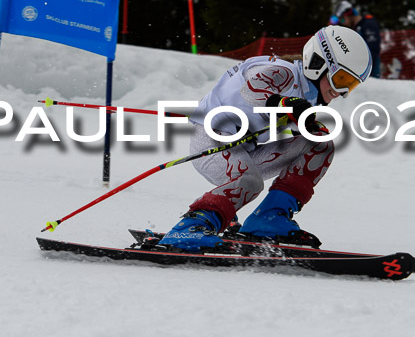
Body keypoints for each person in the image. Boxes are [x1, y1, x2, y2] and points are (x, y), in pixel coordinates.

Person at [156, 25, 373, 252]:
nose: (341, 91)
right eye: (340, 79)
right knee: (249, 182)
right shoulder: (283, 70)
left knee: (320, 142)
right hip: (212, 137)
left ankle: (268, 220)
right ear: (318, 63)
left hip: (243, 148)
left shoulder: (306, 94)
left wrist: (299, 120)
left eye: (350, 85)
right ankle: (191, 227)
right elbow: (252, 89)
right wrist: (282, 104)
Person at [330, 0, 381, 78]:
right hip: (360, 72)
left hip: (369, 73)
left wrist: (365, 71)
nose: (343, 23)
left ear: (348, 14)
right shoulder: (356, 29)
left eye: (343, 19)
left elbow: (373, 50)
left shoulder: (368, 24)